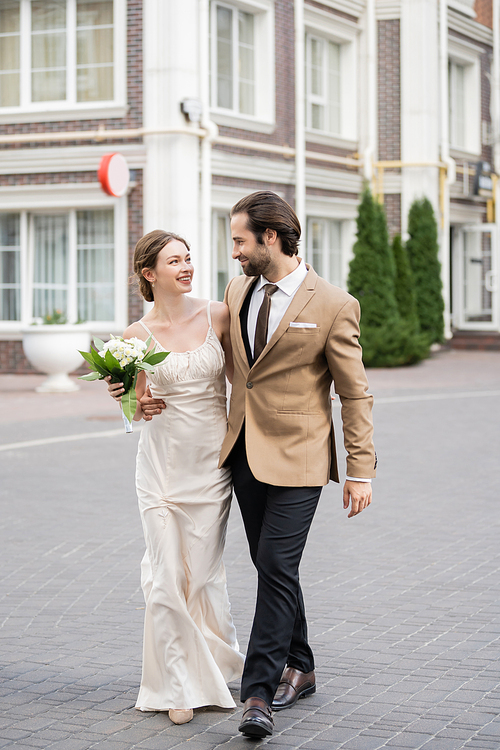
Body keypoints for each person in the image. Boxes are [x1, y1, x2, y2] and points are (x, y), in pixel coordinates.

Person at [142, 191, 376, 739]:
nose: (234, 253)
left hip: (301, 458)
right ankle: (304, 662)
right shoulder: (237, 290)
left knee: (273, 561)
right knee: (273, 565)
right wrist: (128, 387)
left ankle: (256, 694)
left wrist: (360, 470)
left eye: (240, 241)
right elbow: (197, 359)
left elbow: (355, 394)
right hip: (242, 454)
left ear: (271, 238)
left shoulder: (333, 304)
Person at [107, 229, 244, 726]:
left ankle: (209, 664)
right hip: (161, 466)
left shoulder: (217, 314)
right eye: (175, 261)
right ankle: (175, 684)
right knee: (165, 576)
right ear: (150, 274)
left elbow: (240, 380)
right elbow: (132, 405)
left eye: (189, 259)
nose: (187, 267)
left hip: (211, 466)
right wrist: (133, 403)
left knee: (203, 577)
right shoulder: (135, 336)